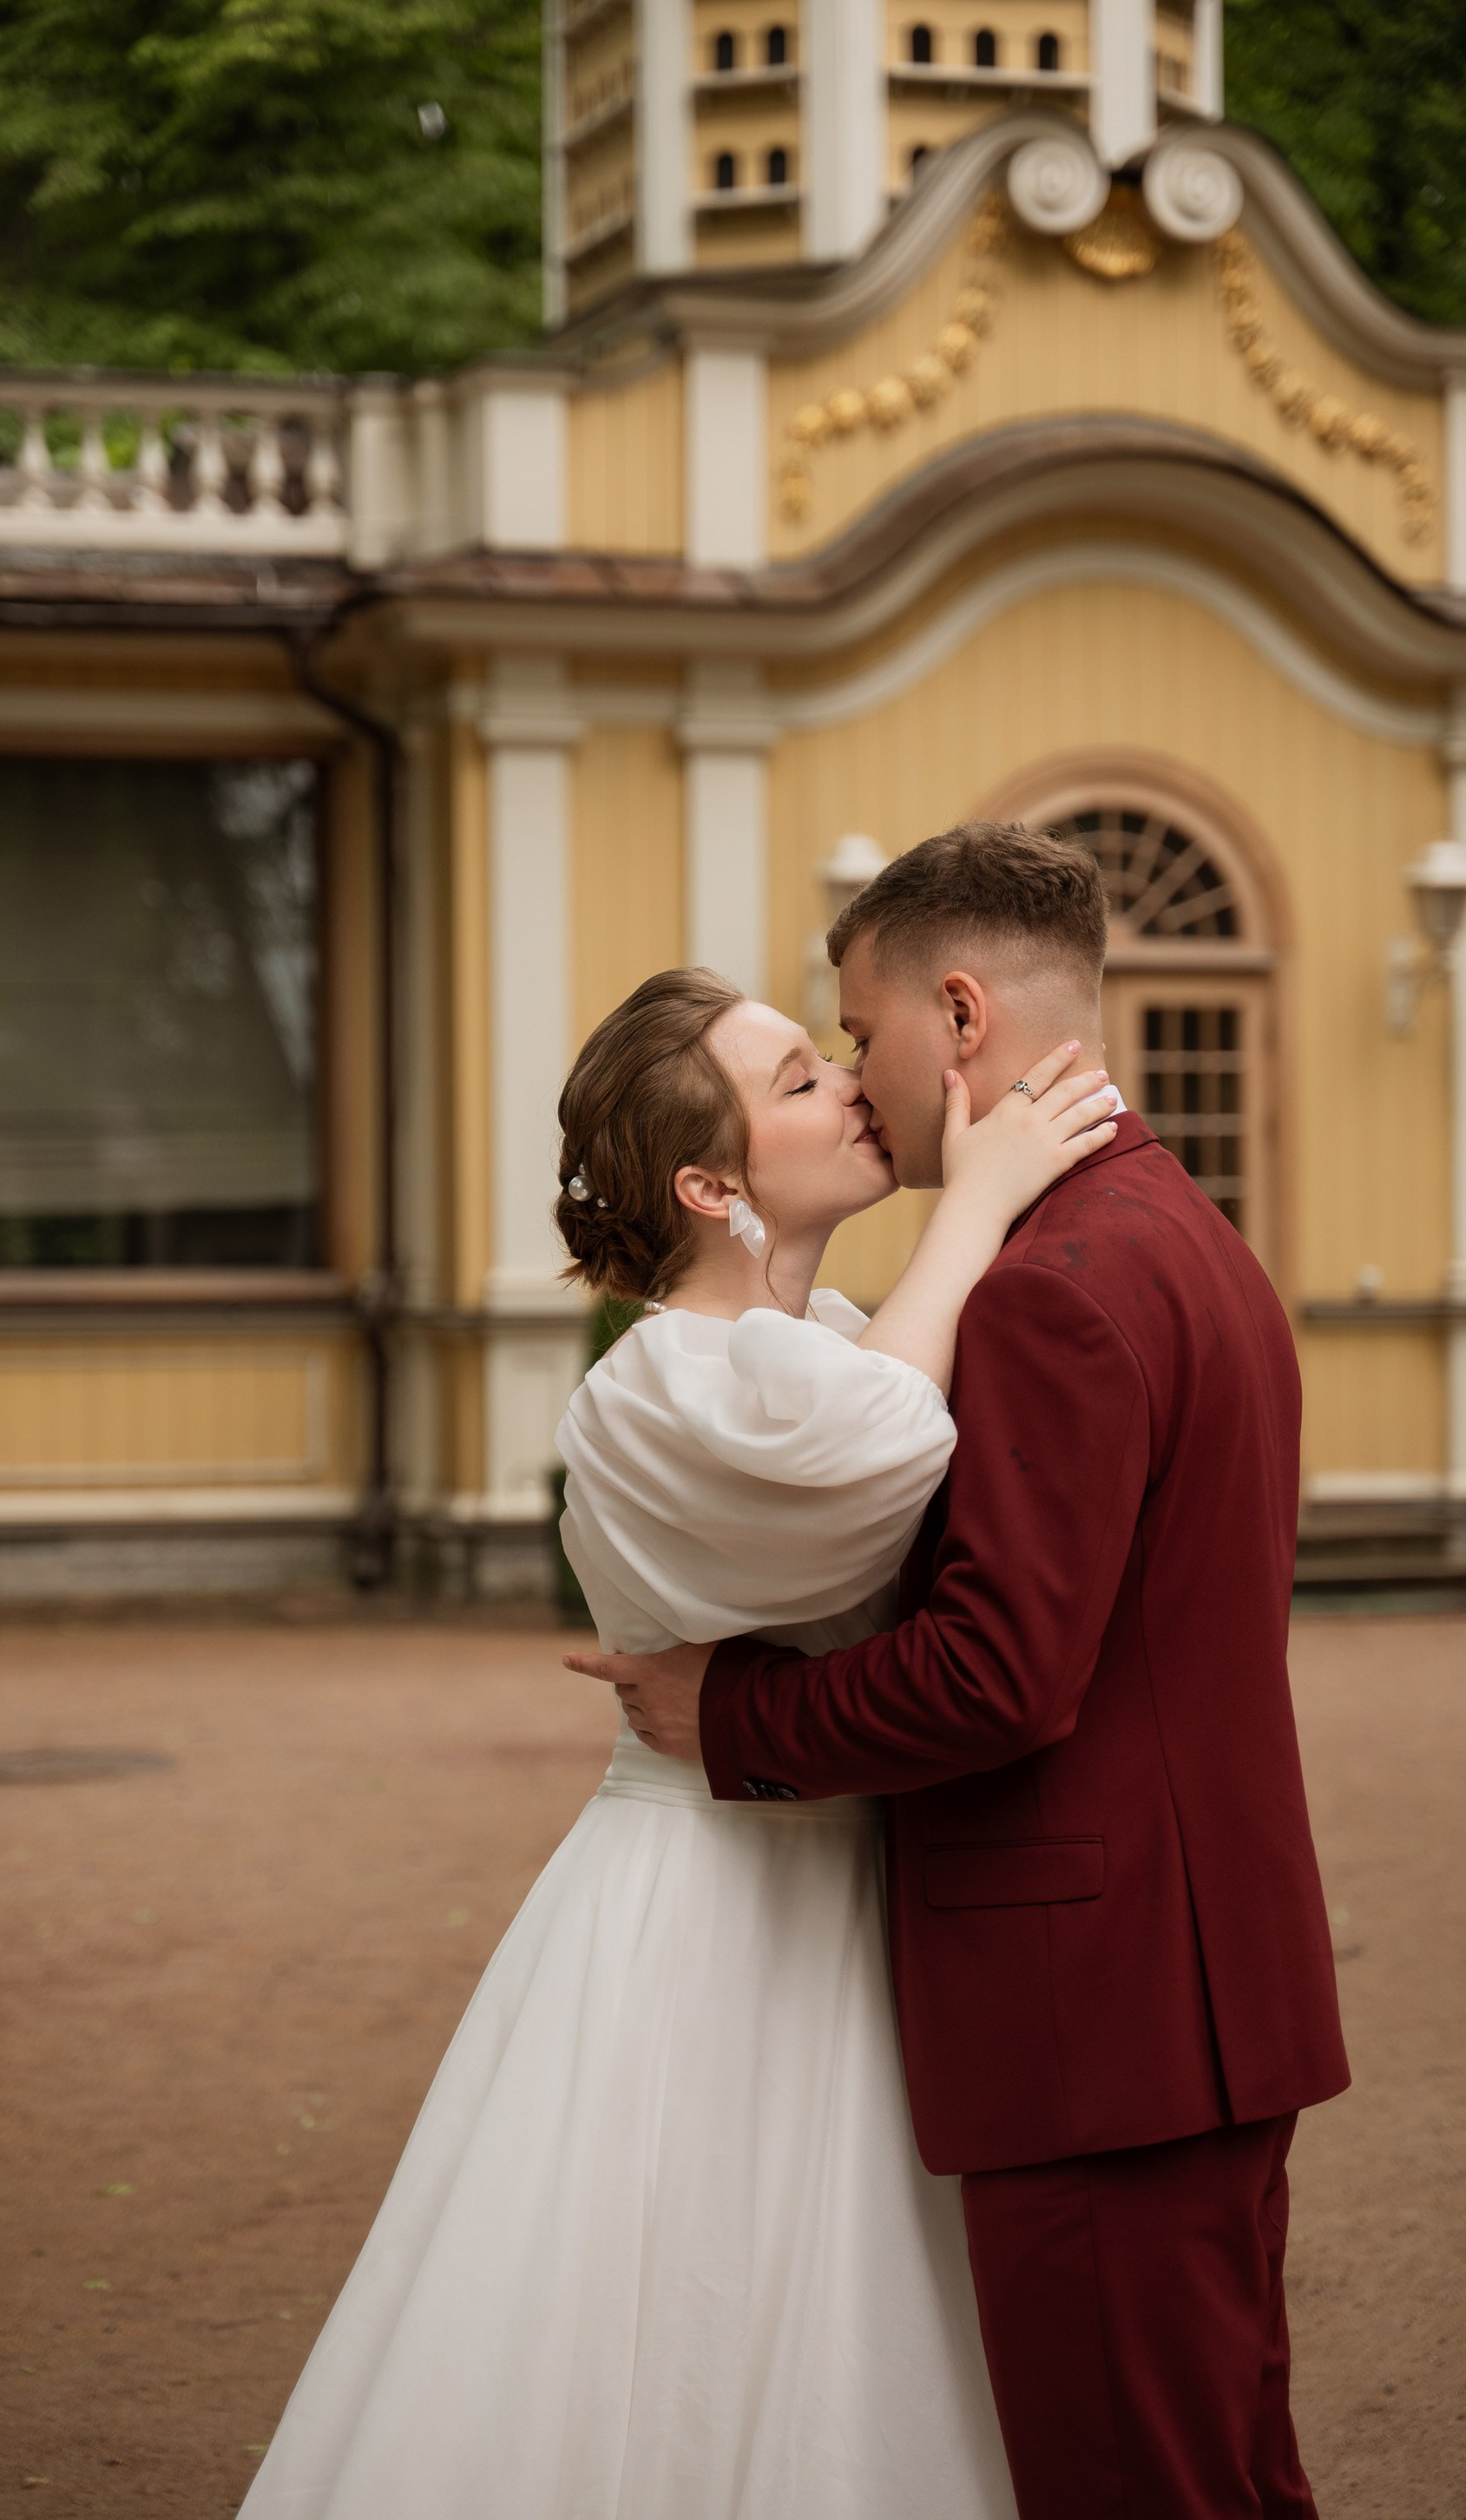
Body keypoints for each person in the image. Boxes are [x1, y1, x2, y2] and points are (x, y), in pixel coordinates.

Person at [236, 958, 1117, 2520]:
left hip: (860, 1885)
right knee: (665, 2314)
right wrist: (977, 1204)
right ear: (710, 1185)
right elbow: (876, 1441)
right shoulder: (661, 1381)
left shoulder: (838, 1330)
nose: (851, 1086)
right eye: (796, 1081)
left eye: (827, 1059)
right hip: (701, 1905)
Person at [571, 821, 1351, 2520]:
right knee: (1221, 2466)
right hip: (1201, 1986)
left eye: (856, 1034)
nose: (856, 1075)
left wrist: (730, 1713)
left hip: (1099, 2010)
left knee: (1135, 2485)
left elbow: (999, 1677)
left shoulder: (1050, 1291)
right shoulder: (1184, 1240)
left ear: (959, 1015)